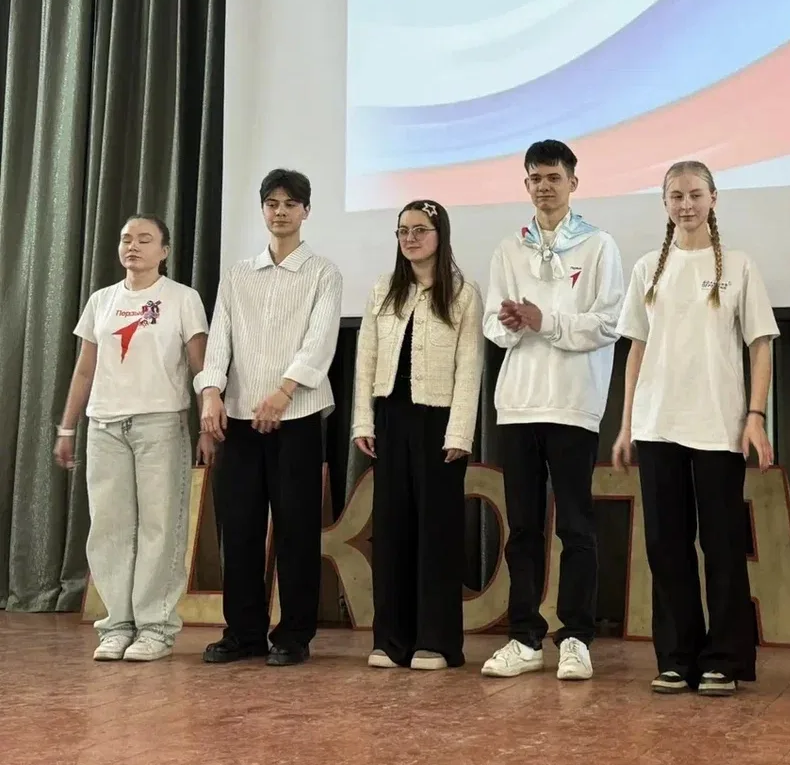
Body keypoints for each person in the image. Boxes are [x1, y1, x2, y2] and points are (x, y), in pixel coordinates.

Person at [611, 160, 777, 697]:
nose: (686, 204)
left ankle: (724, 659)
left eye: (695, 194)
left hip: (718, 426)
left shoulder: (740, 266)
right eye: (676, 196)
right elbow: (636, 349)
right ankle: (677, 657)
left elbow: (761, 345)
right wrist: (626, 424)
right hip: (657, 425)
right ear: (664, 203)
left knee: (723, 545)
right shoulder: (647, 269)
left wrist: (755, 417)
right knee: (666, 546)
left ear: (713, 199)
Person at [480, 139, 624, 681]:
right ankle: (524, 637)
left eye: (554, 177)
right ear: (526, 185)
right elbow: (492, 324)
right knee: (522, 528)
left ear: (573, 183)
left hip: (572, 403)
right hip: (518, 405)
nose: (544, 186)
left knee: (576, 526)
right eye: (536, 178)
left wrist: (548, 321)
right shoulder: (508, 249)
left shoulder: (599, 246)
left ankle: (577, 637)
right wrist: (511, 325)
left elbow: (609, 323)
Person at [195, 169, 342, 667]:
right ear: (262, 210)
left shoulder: (323, 272)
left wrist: (283, 392)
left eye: (290, 204)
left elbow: (320, 342)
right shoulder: (238, 273)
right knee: (239, 528)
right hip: (238, 417)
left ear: (306, 211)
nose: (280, 212)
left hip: (297, 416)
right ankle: (243, 632)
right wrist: (210, 391)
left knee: (297, 528)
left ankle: (295, 633)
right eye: (272, 203)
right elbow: (220, 338)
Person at [54, 214, 212, 662]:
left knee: (160, 526)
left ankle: (155, 628)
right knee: (110, 529)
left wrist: (207, 423)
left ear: (164, 251)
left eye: (145, 239)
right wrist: (68, 426)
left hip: (159, 424)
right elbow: (84, 370)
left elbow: (200, 366)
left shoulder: (183, 298)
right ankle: (117, 625)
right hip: (105, 426)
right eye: (126, 239)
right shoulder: (102, 300)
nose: (133, 246)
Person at [351, 200, 484, 671]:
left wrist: (460, 431)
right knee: (391, 531)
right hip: (391, 418)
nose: (410, 238)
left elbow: (470, 366)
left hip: (439, 423)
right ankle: (391, 640)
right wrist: (363, 422)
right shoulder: (383, 289)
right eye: (403, 230)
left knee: (437, 532)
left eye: (420, 230)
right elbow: (366, 358)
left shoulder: (463, 293)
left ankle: (437, 641)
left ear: (439, 234)